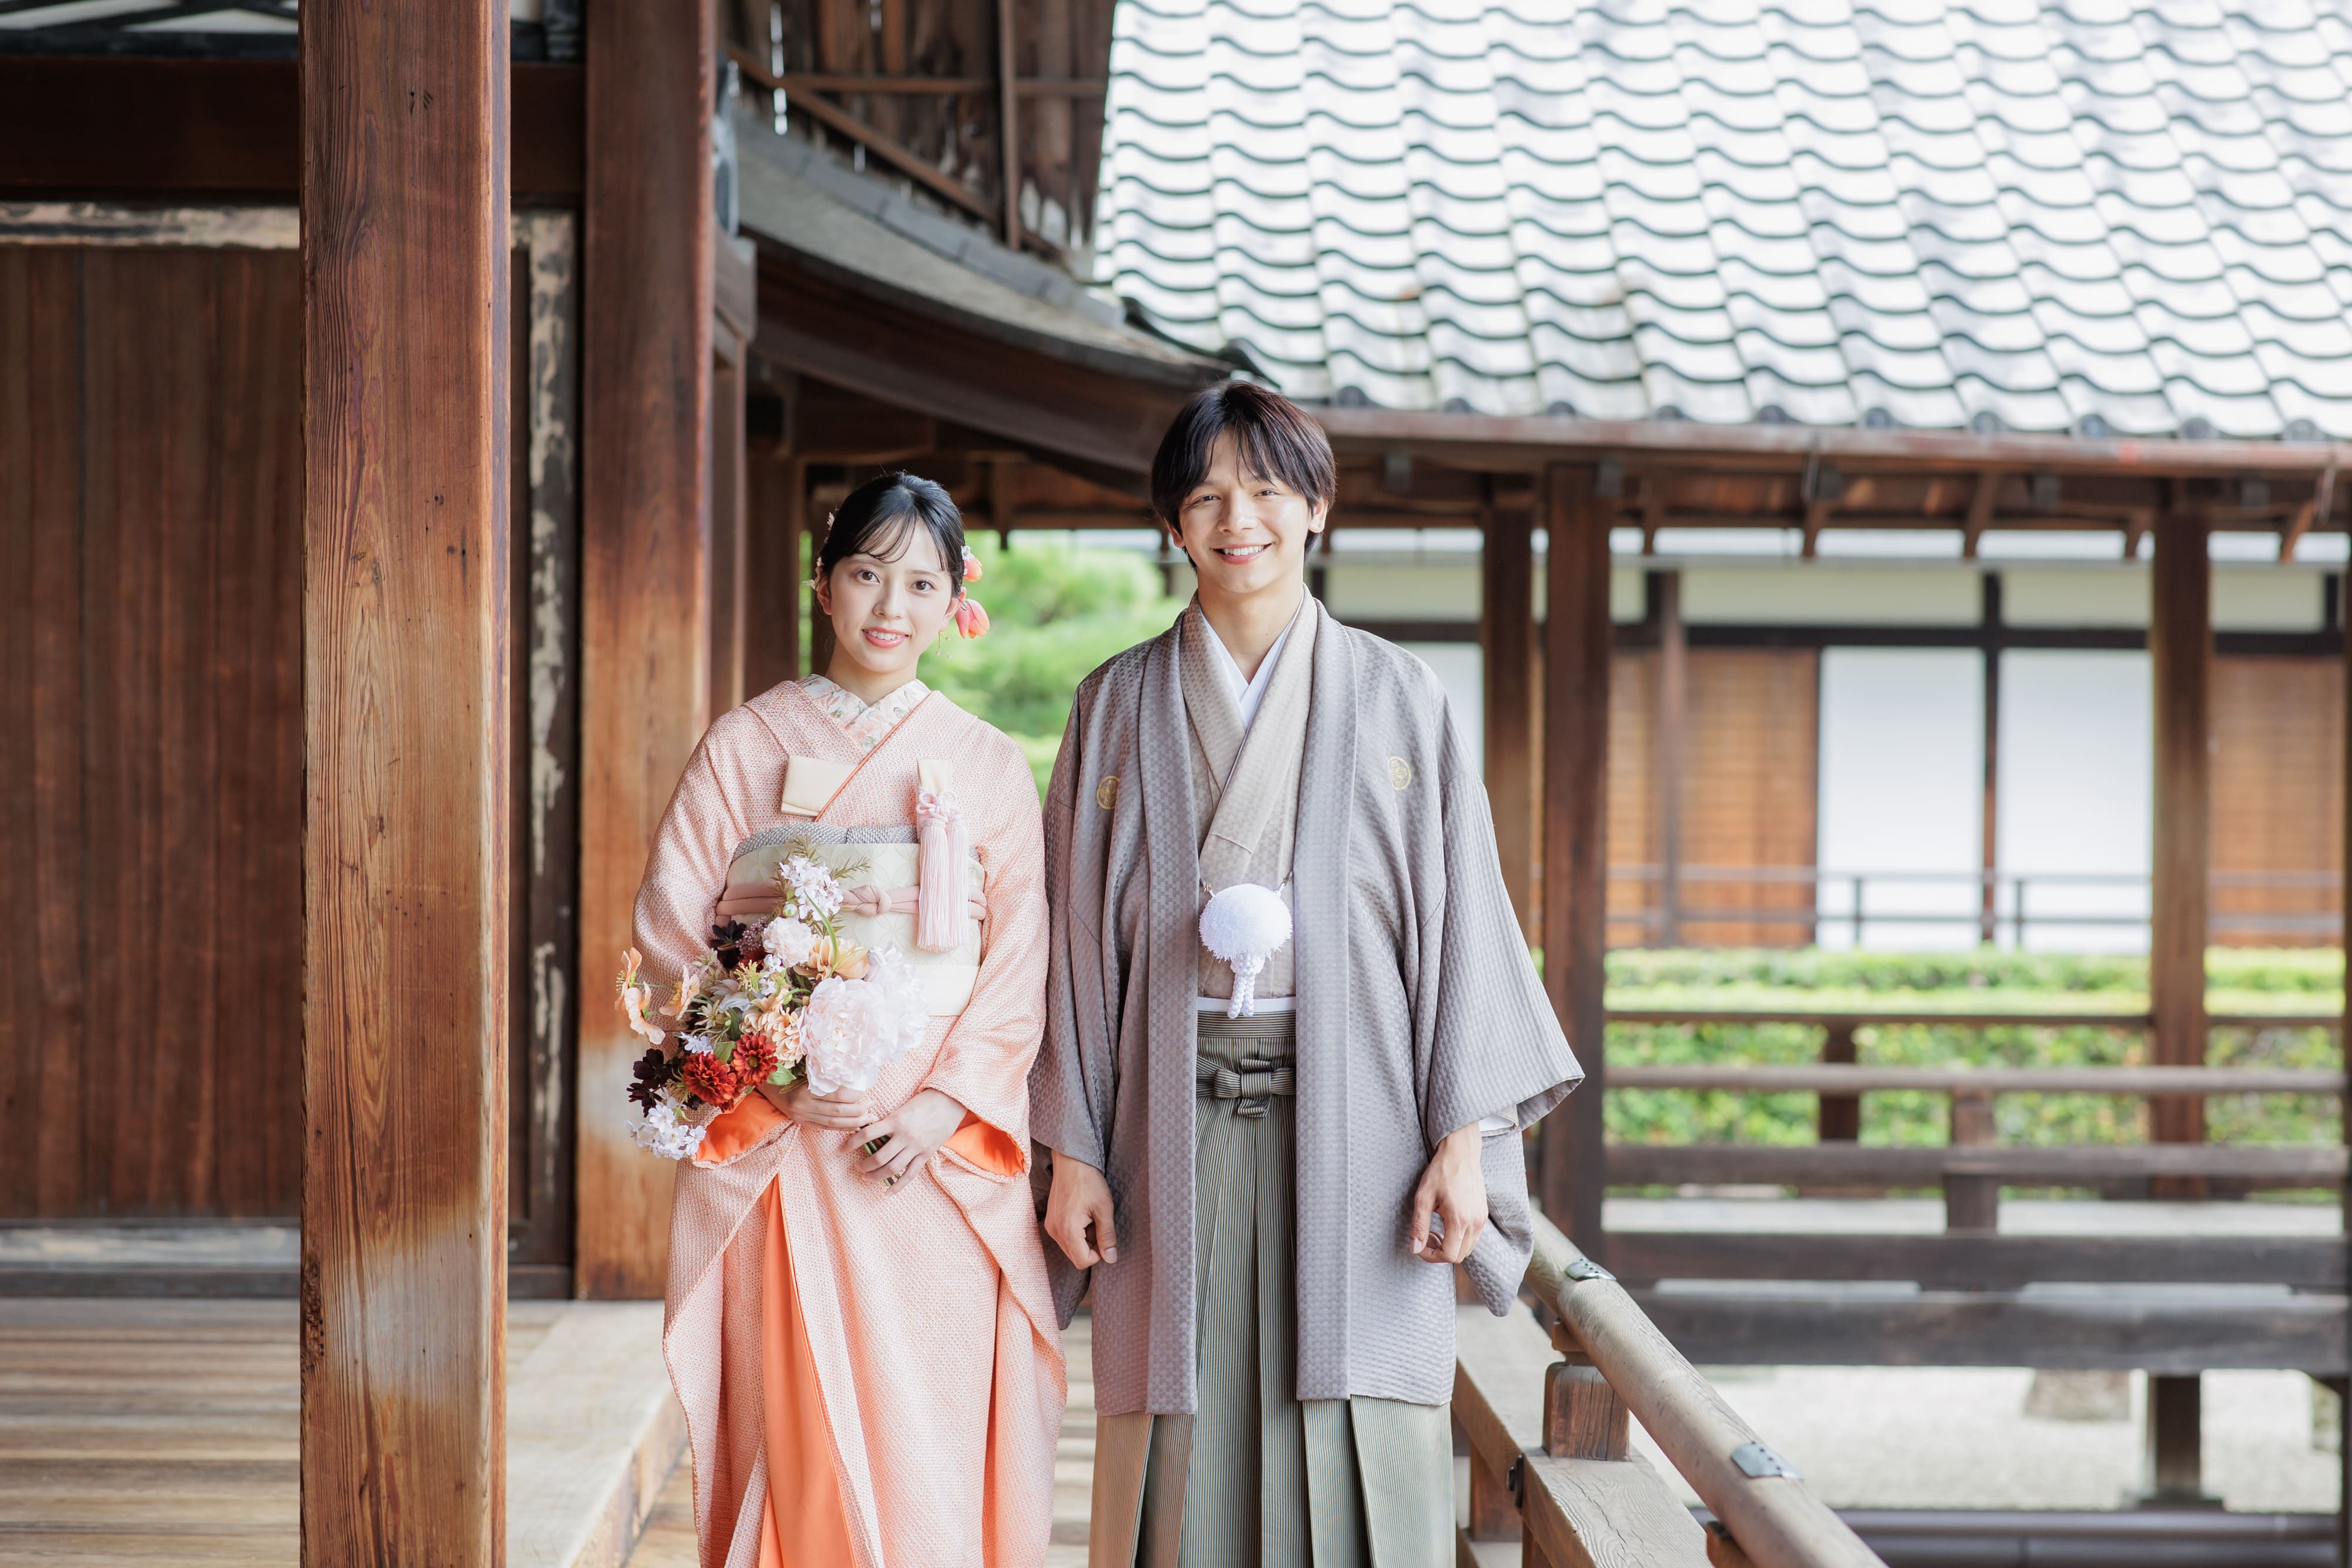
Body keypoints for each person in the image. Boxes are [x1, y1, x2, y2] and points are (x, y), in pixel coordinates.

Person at [1031, 383, 1583, 1566]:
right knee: (1180, 1426)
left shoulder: (1400, 697)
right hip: (1157, 1111)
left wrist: (1464, 1138)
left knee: (1356, 1418)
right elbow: (1073, 934)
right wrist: (1072, 1142)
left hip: (1370, 1112)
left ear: (1315, 506)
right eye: (1207, 497)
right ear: (1173, 526)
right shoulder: (1114, 703)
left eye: (1267, 490)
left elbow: (1462, 923)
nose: (1240, 519)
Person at [635, 472, 1062, 1568]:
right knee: (802, 1418)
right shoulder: (745, 745)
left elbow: (1017, 962)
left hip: (928, 1156)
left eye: (922, 581)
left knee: (935, 1417)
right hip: (786, 1143)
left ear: (956, 599)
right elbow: (672, 927)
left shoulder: (986, 763)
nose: (891, 604)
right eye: (868, 572)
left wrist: (942, 1106)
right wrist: (764, 1064)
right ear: (823, 583)